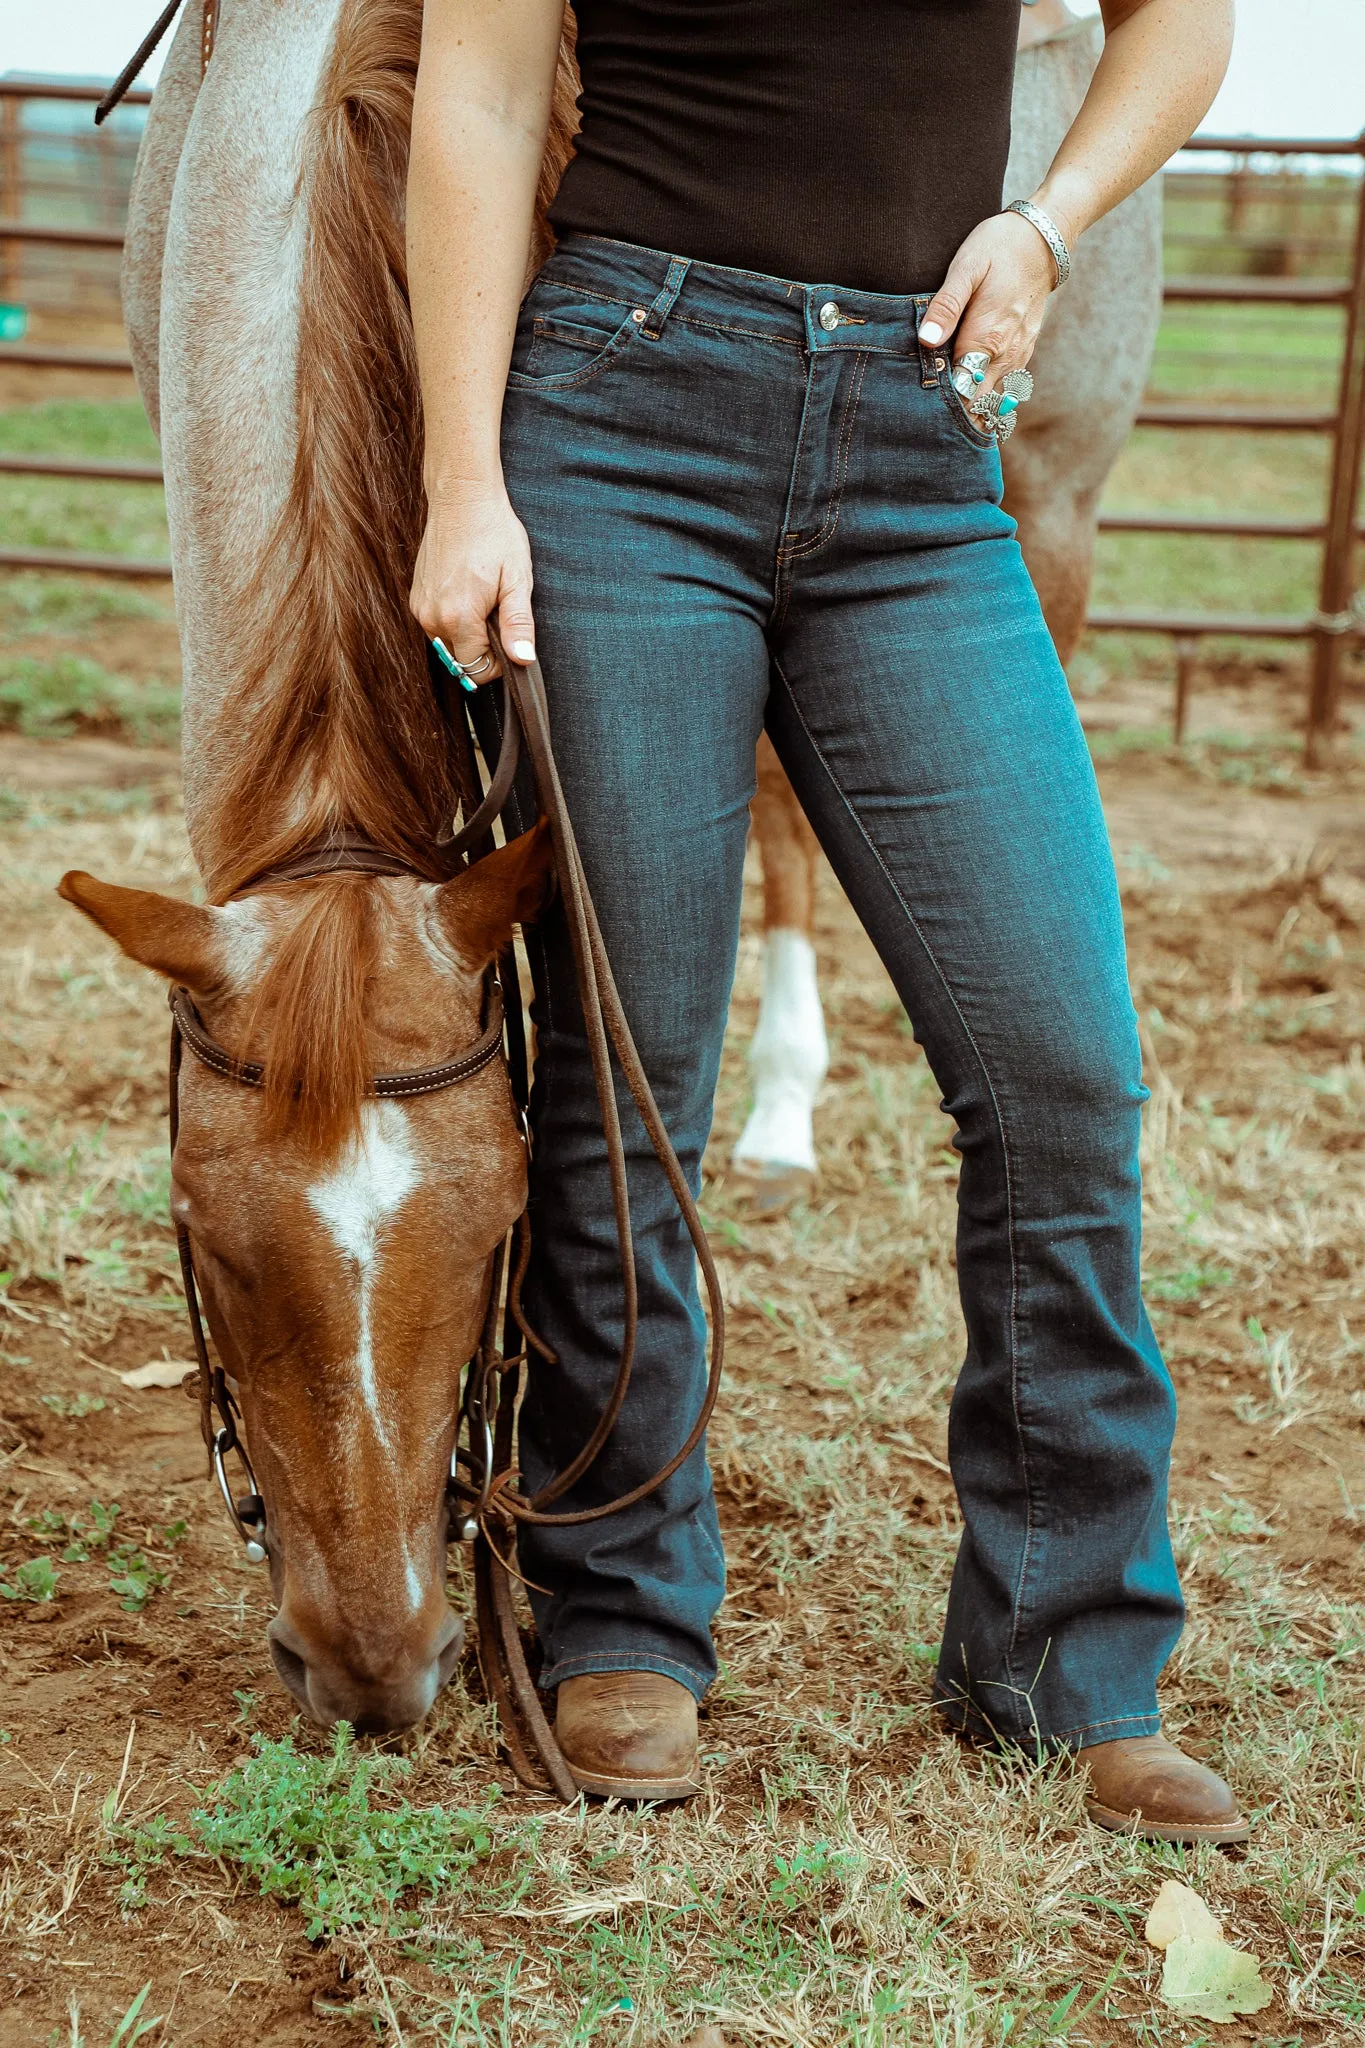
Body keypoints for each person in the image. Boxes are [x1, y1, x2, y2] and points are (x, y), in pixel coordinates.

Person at [406, 0, 1246, 1841]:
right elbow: (473, 93)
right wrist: (465, 480)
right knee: (636, 1074)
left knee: (1059, 1069)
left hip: (919, 445)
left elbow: (1184, 21)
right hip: (620, 418)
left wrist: (1047, 220)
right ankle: (622, 1617)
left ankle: (1066, 1655)